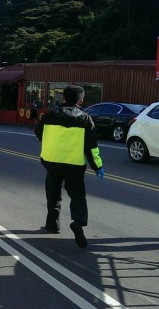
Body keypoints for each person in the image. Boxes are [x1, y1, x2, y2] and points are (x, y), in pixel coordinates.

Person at [34, 85, 104, 248]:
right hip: (74, 165)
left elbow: (38, 134)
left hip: (52, 162)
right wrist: (97, 166)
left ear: (63, 98)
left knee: (53, 194)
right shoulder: (85, 119)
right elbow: (91, 147)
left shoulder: (49, 116)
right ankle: (78, 222)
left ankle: (52, 225)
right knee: (78, 195)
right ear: (81, 101)